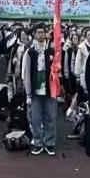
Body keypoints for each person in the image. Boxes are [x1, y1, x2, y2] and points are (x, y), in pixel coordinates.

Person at [21, 23, 57, 156]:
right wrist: (28, 91)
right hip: (35, 90)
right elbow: (25, 72)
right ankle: (38, 142)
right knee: (35, 118)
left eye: (43, 32)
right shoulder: (30, 52)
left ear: (46, 34)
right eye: (38, 33)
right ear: (34, 35)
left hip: (49, 90)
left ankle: (50, 142)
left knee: (50, 117)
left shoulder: (52, 51)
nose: (41, 35)